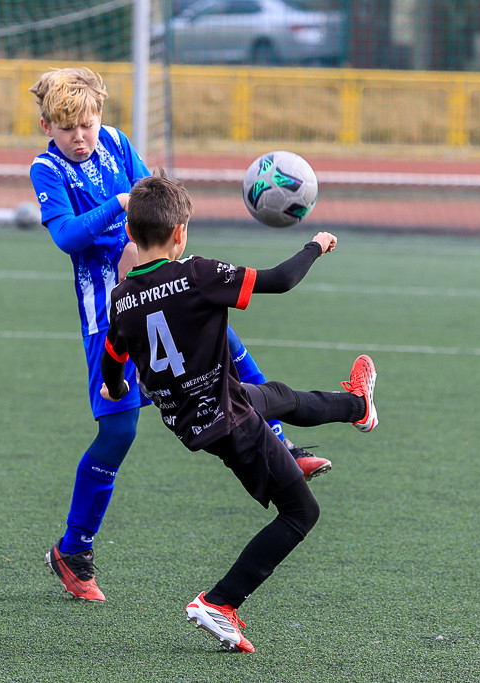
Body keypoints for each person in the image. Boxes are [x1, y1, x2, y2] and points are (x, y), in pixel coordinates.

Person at [29, 67, 331, 603]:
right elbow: (68, 238)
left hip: (159, 285)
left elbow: (153, 192)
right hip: (111, 312)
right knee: (118, 434)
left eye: (88, 124)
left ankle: (282, 441)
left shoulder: (118, 143)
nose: (80, 136)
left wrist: (168, 223)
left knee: (226, 346)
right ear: (48, 126)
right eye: (66, 127)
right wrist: (118, 207)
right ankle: (73, 550)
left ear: (101, 118)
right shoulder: (47, 169)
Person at [99, 169, 378, 653]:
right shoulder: (196, 274)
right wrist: (316, 244)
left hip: (203, 412)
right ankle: (220, 602)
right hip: (230, 423)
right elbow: (281, 280)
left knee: (278, 395)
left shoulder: (121, 300)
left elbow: (111, 358)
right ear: (180, 233)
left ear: (129, 231)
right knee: (300, 514)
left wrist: (115, 386)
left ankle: (358, 405)